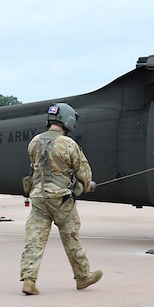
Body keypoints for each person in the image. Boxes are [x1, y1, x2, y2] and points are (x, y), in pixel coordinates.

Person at [20, 103, 103, 295]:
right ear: (69, 120)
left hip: (39, 198)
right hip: (61, 200)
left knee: (34, 239)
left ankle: (29, 280)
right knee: (71, 237)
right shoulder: (68, 144)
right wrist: (84, 186)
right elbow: (84, 174)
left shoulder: (34, 141)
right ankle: (82, 277)